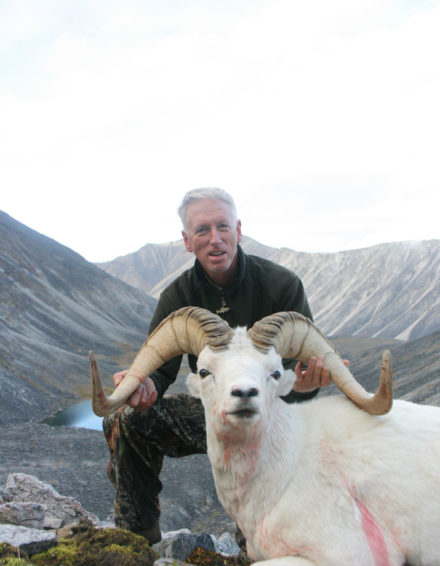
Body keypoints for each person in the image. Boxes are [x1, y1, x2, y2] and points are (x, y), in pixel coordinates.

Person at [103, 187, 332, 544]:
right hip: (216, 410)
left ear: (238, 231)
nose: (215, 239)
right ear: (186, 240)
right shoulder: (178, 297)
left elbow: (299, 374)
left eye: (223, 227)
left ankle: (264, 539)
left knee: (259, 553)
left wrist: (306, 385)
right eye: (202, 230)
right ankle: (137, 539)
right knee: (128, 419)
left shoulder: (281, 287)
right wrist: (144, 387)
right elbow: (160, 372)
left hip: (272, 420)